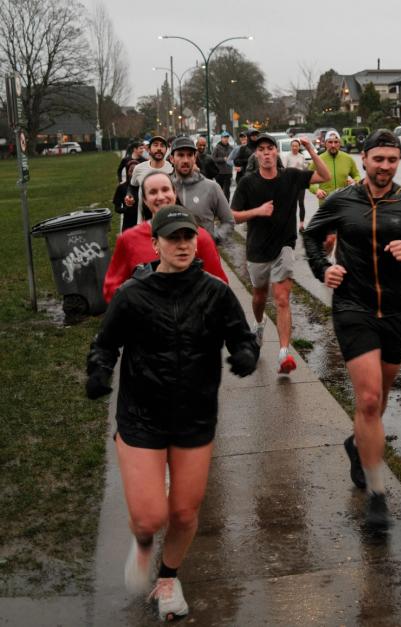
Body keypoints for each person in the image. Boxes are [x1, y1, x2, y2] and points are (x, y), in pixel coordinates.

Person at [86, 205, 259, 620]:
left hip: (194, 415)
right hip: (142, 416)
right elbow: (105, 344)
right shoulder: (133, 294)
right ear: (156, 243)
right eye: (174, 237)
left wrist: (246, 353)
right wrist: (99, 371)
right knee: (149, 518)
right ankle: (144, 542)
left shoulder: (215, 291)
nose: (183, 244)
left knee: (183, 513)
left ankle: (168, 579)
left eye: (189, 237)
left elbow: (241, 335)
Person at [303, 130, 401, 530]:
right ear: (363, 159)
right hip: (353, 307)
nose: (384, 166)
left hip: (395, 314)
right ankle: (378, 493)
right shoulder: (340, 201)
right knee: (367, 400)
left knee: (377, 404)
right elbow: (311, 237)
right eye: (378, 158)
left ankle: (357, 444)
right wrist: (323, 268)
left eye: (391, 160)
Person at [230, 134, 330, 374]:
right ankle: (259, 322)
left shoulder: (291, 177)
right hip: (257, 249)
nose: (266, 153)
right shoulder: (247, 183)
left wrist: (311, 150)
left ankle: (285, 352)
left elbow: (325, 177)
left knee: (283, 298)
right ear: (256, 154)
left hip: (284, 245)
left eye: (270, 149)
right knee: (259, 297)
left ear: (276, 153)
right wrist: (258, 211)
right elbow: (233, 215)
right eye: (261, 149)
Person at [103, 171, 228, 302]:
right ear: (145, 200)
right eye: (153, 192)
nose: (161, 197)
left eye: (165, 190)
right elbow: (112, 289)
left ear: (174, 193)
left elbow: (219, 286)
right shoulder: (128, 239)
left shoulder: (199, 236)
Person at [169, 135, 235, 244]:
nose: (185, 160)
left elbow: (229, 221)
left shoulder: (211, 187)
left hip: (204, 257)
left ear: (195, 158)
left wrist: (213, 239)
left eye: (189, 155)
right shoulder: (165, 188)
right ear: (172, 159)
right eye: (180, 155)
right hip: (172, 256)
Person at [309, 129, 361, 252]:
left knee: (346, 240)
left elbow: (357, 175)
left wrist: (354, 181)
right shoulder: (318, 159)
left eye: (336, 142)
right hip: (326, 206)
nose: (333, 145)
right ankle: (326, 264)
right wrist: (316, 190)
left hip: (345, 205)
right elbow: (307, 180)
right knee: (330, 240)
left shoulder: (348, 159)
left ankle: (343, 264)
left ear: (340, 143)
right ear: (325, 143)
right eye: (330, 142)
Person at [127, 134, 173, 222]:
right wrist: (130, 196)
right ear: (148, 149)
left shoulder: (172, 168)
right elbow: (132, 187)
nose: (159, 148)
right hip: (144, 220)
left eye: (162, 146)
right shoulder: (139, 168)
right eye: (155, 145)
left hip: (168, 220)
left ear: (166, 150)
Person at [282, 138, 309, 232]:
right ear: (291, 147)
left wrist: (306, 167)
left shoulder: (302, 156)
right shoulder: (287, 157)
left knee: (301, 203)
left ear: (299, 147)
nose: (294, 148)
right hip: (291, 184)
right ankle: (290, 225)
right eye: (293, 146)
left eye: (296, 146)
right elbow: (284, 170)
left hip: (301, 183)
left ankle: (301, 225)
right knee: (291, 205)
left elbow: (305, 168)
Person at [112, 159, 139, 232]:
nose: (133, 174)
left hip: (143, 223)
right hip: (128, 225)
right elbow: (117, 209)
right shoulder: (121, 188)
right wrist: (127, 208)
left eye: (136, 172)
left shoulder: (145, 186)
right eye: (131, 171)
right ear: (127, 172)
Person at [212, 131, 234, 200]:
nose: (226, 139)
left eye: (227, 137)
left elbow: (233, 158)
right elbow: (213, 159)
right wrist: (222, 159)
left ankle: (227, 204)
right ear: (221, 138)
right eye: (224, 137)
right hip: (220, 172)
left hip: (228, 172)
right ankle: (219, 203)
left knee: (227, 190)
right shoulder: (217, 147)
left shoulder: (231, 148)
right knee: (219, 190)